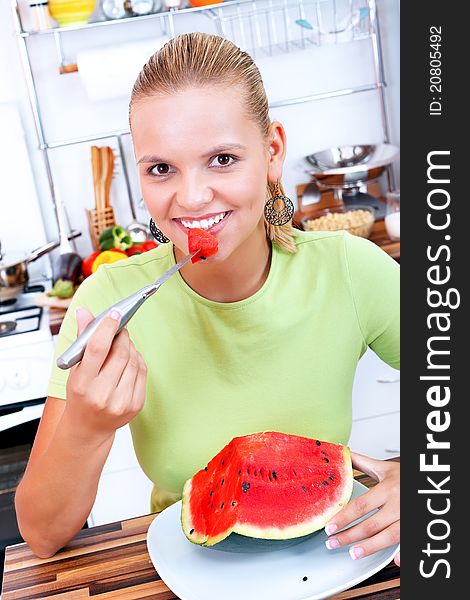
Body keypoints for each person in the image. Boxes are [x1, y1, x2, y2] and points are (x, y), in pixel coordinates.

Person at [15, 32, 400, 565]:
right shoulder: (107, 301)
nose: (191, 197)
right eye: (161, 168)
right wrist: (85, 426)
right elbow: (39, 533)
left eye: (221, 159)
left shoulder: (350, 271)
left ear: (272, 152)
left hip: (335, 561)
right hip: (184, 575)